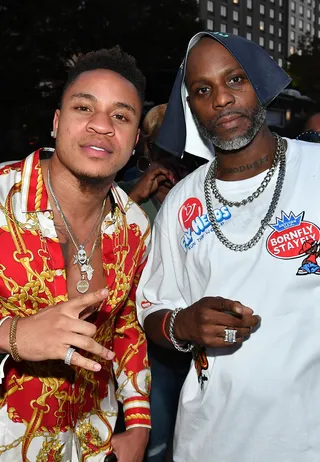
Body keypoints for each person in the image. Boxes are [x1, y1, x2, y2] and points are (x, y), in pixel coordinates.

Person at [136, 31, 320, 462]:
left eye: (235, 80)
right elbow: (151, 309)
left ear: (258, 82)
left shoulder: (316, 172)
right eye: (203, 90)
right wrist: (182, 326)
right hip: (210, 441)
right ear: (191, 106)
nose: (221, 99)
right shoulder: (181, 201)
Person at [0, 46, 151, 461]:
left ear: (135, 139)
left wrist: (137, 424)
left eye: (120, 116)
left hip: (92, 443)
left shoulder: (135, 226)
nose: (101, 125)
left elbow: (127, 327)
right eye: (84, 107)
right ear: (56, 122)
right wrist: (11, 334)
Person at [119, 104, 208, 462]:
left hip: (194, 341)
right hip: (140, 346)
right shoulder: (123, 194)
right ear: (148, 151)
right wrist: (134, 199)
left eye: (182, 154)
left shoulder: (202, 196)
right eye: (162, 151)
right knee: (154, 441)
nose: (172, 165)